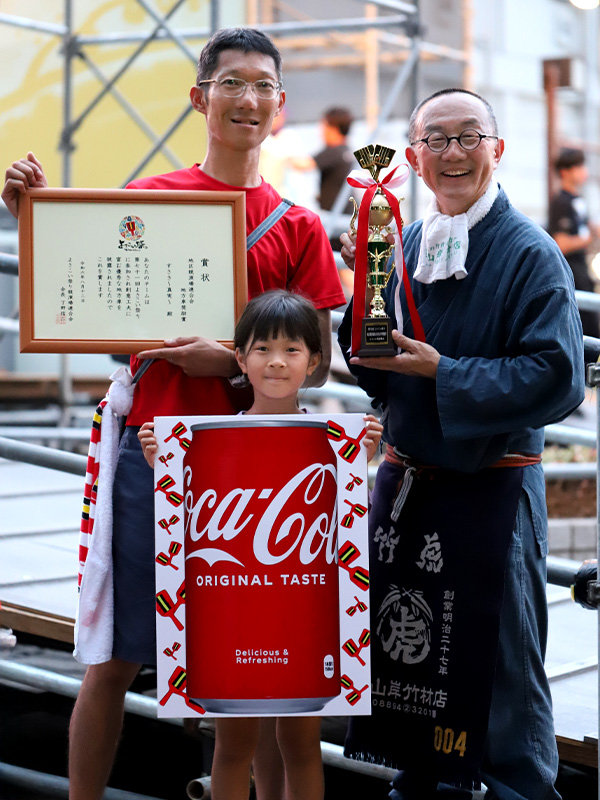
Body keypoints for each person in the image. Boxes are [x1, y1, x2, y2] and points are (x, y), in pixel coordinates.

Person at [2, 27, 347, 800]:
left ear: (281, 105)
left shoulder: (296, 226)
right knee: (114, 658)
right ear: (201, 99)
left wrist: (224, 360)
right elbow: (87, 312)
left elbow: (316, 354)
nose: (247, 99)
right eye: (231, 83)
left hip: (256, 479)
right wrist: (33, 216)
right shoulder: (149, 201)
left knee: (253, 666)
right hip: (150, 457)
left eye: (262, 84)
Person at [338, 88, 584, 799]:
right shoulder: (405, 241)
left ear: (496, 149)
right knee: (411, 672)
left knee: (502, 679)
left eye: (467, 137)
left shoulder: (531, 253)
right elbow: (369, 357)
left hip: (492, 491)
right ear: (411, 159)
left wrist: (440, 370)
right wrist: (365, 289)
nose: (452, 153)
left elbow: (558, 374)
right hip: (410, 492)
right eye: (435, 140)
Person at [138, 289, 383, 800]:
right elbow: (180, 522)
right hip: (234, 619)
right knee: (233, 746)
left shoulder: (334, 440)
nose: (276, 361)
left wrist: (359, 462)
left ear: (314, 361)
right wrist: (163, 466)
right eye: (263, 349)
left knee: (301, 743)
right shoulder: (203, 441)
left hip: (306, 618)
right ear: (240, 358)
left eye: (293, 350)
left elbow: (345, 521)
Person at [548, 147, 599, 337]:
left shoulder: (577, 199)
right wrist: (589, 239)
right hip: (571, 274)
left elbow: (584, 228)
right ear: (565, 172)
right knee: (586, 335)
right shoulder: (560, 201)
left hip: (583, 272)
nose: (583, 170)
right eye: (578, 166)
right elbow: (561, 243)